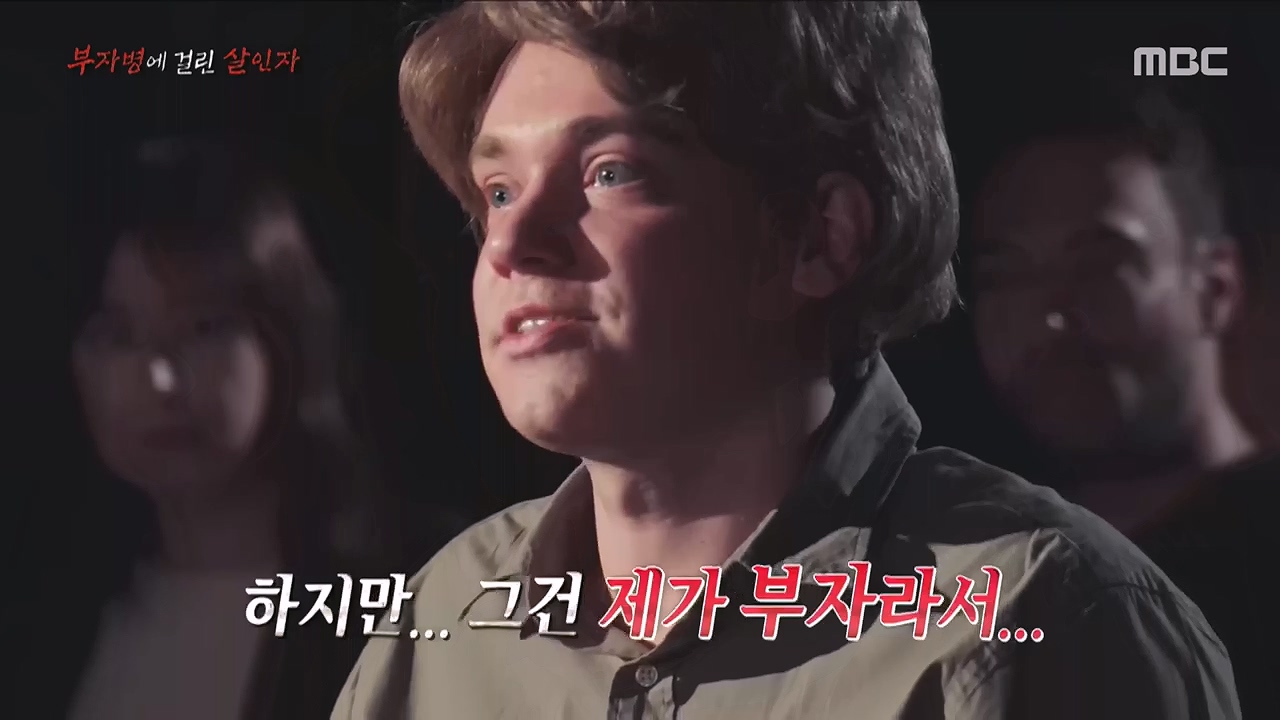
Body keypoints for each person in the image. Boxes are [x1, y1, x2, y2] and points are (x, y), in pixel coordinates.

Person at [336, 3, 1238, 719]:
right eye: (497, 190)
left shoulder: (1044, 617)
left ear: (818, 237)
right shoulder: (442, 617)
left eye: (610, 172)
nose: (511, 244)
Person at [37, 137, 453, 720]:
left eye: (204, 328)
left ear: (287, 338)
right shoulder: (44, 621)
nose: (161, 380)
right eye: (118, 336)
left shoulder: (427, 593)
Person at [971, 82, 1275, 717]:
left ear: (1217, 288)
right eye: (1007, 273)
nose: (1049, 316)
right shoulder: (976, 577)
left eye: (1103, 264)